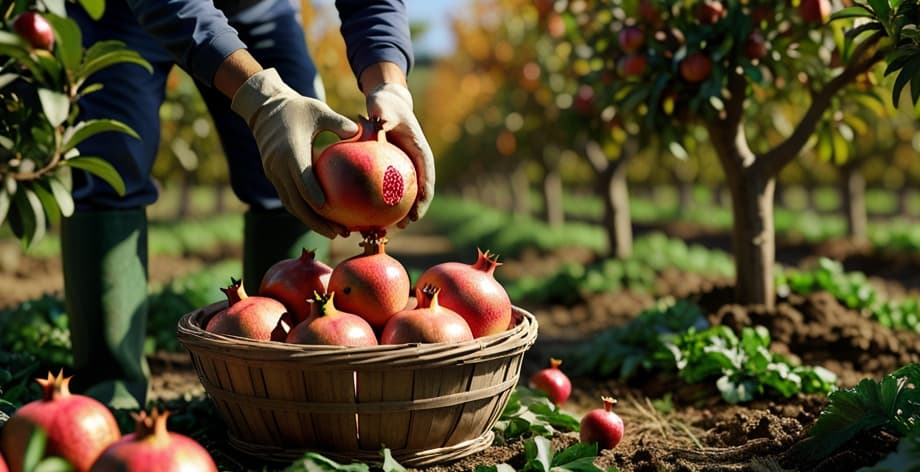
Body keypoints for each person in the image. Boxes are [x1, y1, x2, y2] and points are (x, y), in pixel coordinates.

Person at [62, 0, 434, 409]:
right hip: (125, 11)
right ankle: (107, 390)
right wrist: (263, 99)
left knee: (295, 170)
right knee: (110, 163)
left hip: (259, 7)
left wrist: (389, 84)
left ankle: (282, 378)